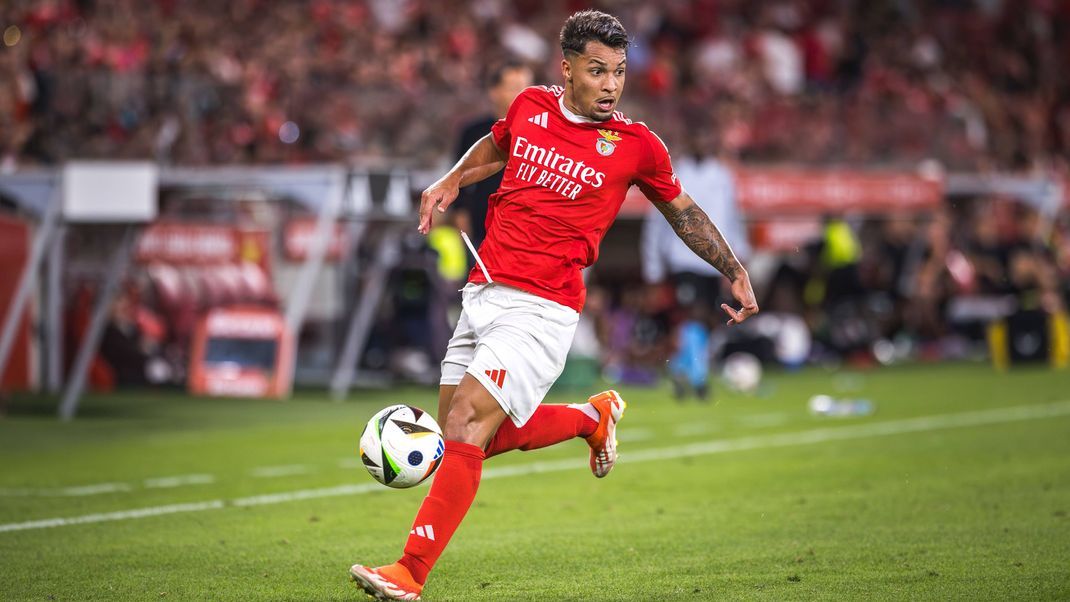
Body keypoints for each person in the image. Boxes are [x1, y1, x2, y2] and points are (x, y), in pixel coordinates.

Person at [350, 10, 758, 600]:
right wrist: (450, 182)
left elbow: (683, 211)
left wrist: (734, 270)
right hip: (483, 291)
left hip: (542, 309)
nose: (612, 85)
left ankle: (409, 572)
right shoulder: (529, 108)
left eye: (619, 72)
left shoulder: (636, 146)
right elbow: (495, 146)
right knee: (463, 436)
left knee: (464, 422)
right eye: (598, 71)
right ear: (567, 69)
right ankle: (590, 420)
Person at [451, 59, 533, 252]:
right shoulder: (473, 132)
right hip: (482, 224)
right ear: (494, 92)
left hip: (526, 227)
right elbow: (458, 176)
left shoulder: (542, 132)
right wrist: (460, 214)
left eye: (527, 87)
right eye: (514, 87)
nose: (522, 94)